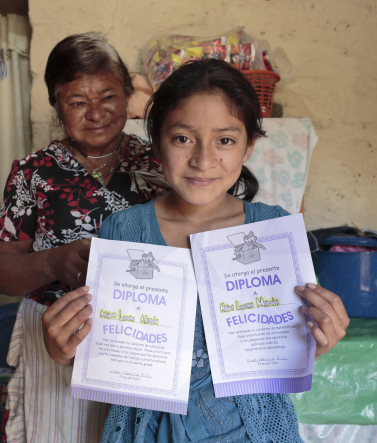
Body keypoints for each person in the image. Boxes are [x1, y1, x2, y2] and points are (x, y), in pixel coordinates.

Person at [42, 59, 350, 442]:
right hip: (144, 431)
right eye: (183, 138)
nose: (203, 160)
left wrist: (321, 339)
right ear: (157, 142)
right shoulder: (124, 231)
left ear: (248, 146)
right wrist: (65, 351)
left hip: (251, 432)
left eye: (225, 140)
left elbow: (288, 346)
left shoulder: (272, 231)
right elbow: (108, 349)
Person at [0, 32, 168, 442]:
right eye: (78, 102)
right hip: (55, 336)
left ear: (127, 94)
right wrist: (52, 261)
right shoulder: (35, 173)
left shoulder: (158, 165)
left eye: (108, 96)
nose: (96, 113)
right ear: (57, 106)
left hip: (142, 337)